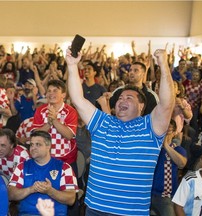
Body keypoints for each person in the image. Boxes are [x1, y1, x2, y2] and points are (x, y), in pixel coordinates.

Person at [66, 48, 175, 216]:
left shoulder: (150, 127)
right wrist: (72, 66)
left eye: (129, 98)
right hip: (95, 208)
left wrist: (163, 65)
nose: (122, 100)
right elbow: (78, 99)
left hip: (129, 212)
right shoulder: (102, 122)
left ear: (141, 106)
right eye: (120, 98)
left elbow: (167, 104)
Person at [8, 130, 78, 216]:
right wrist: (31, 189)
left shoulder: (64, 167)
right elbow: (10, 194)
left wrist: (50, 191)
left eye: (38, 144)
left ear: (48, 146)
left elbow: (71, 199)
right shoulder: (22, 166)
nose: (33, 148)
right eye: (31, 145)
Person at [31, 79, 78, 169]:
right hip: (44, 160)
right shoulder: (40, 110)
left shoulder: (70, 111)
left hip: (66, 159)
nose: (51, 93)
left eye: (55, 91)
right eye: (49, 91)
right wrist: (49, 123)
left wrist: (55, 120)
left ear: (63, 95)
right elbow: (35, 135)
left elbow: (69, 135)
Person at [151, 119, 187, 216]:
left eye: (169, 130)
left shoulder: (178, 149)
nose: (165, 133)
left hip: (165, 196)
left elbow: (182, 164)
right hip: (146, 194)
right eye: (163, 129)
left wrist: (166, 146)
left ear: (174, 133)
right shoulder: (151, 148)